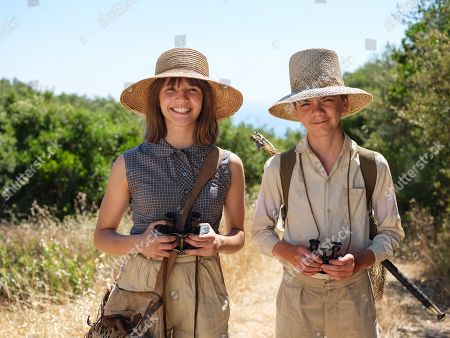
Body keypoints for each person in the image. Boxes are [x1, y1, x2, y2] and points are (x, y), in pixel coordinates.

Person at [251, 48, 405, 338]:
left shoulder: (373, 165)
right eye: (306, 103)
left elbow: (392, 233)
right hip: (297, 301)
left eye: (327, 100)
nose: (317, 111)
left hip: (355, 299)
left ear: (344, 105)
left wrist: (361, 261)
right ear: (296, 112)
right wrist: (290, 254)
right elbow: (260, 231)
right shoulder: (278, 167)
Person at [93, 47, 245, 337]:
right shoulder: (129, 162)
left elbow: (238, 235)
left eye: (192, 89)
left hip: (205, 286)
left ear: (205, 100)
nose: (181, 98)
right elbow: (102, 236)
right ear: (157, 99)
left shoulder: (229, 164)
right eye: (170, 89)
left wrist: (218, 244)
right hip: (142, 287)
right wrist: (140, 243)